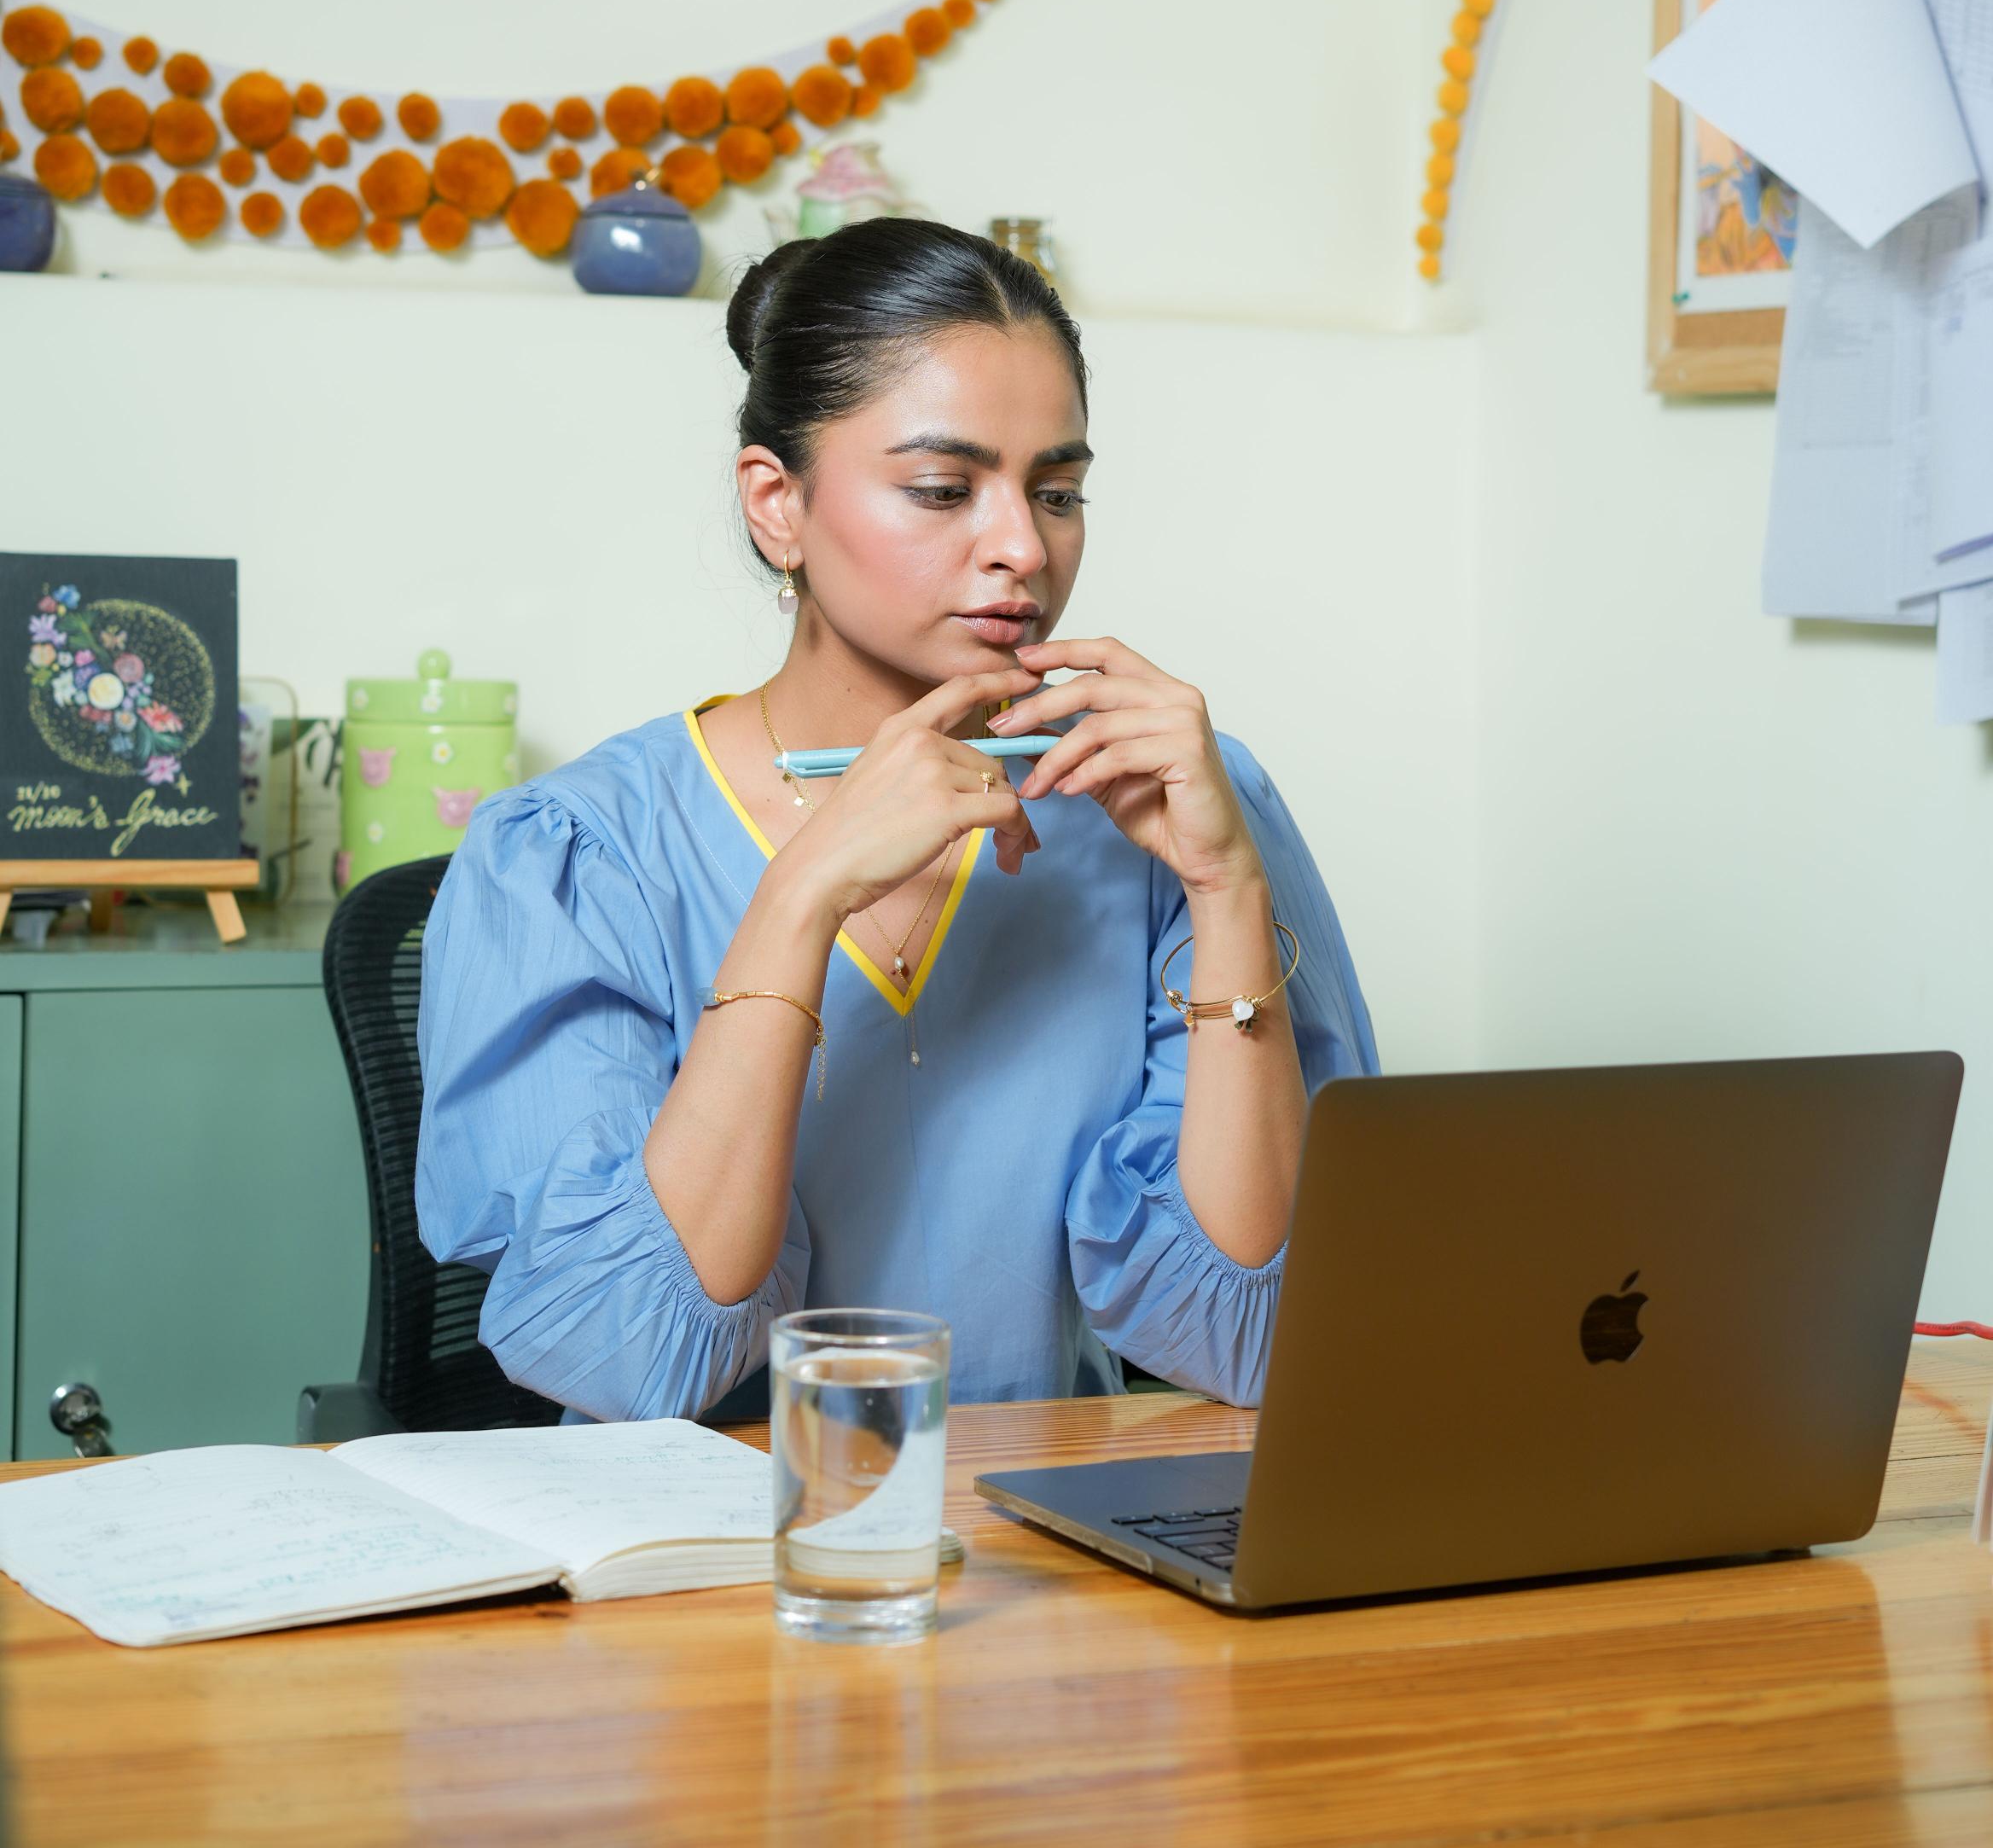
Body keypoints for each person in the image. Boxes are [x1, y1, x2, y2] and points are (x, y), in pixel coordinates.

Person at [415, 219, 1376, 1416]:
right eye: (942, 489)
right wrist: (803, 891)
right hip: (699, 1565)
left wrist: (1228, 891)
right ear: (778, 505)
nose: (1022, 547)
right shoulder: (574, 854)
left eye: (1059, 491)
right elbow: (624, 1358)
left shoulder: (1171, 809)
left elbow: (1251, 1336)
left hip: (1057, 1552)